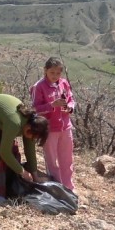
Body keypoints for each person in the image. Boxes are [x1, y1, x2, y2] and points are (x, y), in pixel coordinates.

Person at [31, 56, 76, 191]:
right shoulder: (39, 87)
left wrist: (70, 107)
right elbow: (35, 109)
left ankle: (69, 188)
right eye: (52, 73)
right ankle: (57, 188)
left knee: (67, 160)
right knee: (52, 161)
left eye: (58, 73)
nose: (55, 76)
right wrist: (52, 105)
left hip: (65, 126)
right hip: (50, 128)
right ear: (45, 70)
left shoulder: (63, 83)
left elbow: (71, 99)